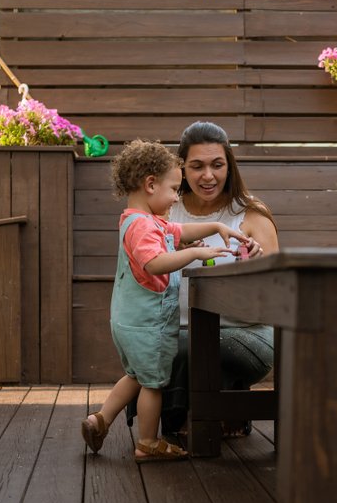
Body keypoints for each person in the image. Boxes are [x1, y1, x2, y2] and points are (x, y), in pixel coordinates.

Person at [80, 139, 250, 462]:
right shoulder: (143, 227)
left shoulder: (143, 221)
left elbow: (178, 230)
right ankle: (148, 443)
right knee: (154, 385)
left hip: (130, 321)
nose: (176, 197)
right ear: (150, 185)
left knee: (136, 377)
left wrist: (215, 226)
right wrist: (195, 253)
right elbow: (155, 263)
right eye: (174, 189)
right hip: (147, 324)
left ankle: (99, 420)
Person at [157, 121, 280, 438]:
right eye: (196, 166)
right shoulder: (167, 214)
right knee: (178, 341)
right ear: (181, 168)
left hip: (246, 333)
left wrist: (256, 268)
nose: (207, 176)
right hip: (176, 330)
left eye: (217, 165)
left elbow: (278, 294)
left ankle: (193, 418)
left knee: (194, 343)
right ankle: (221, 411)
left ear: (230, 166)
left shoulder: (251, 214)